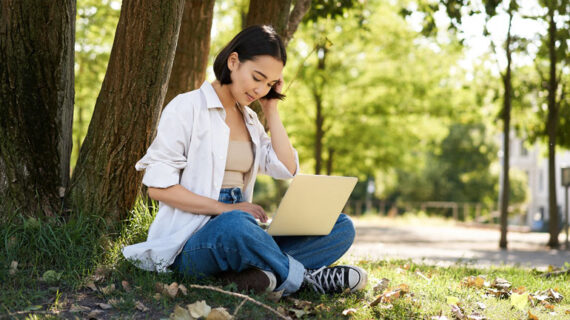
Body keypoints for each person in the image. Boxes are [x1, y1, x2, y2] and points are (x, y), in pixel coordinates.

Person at [122, 25, 367, 296]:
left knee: (340, 226)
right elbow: (158, 189)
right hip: (193, 241)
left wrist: (271, 109)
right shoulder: (187, 107)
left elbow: (286, 168)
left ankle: (259, 275)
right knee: (235, 226)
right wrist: (226, 209)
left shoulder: (250, 120)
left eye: (271, 84)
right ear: (234, 61)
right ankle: (304, 278)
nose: (261, 89)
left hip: (244, 229)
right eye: (258, 78)